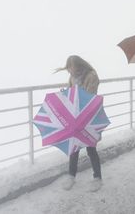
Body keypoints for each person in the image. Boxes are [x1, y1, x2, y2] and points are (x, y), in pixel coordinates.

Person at [55, 55, 102, 190]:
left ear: (78, 65)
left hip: (90, 116)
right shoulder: (72, 77)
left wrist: (73, 96)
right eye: (68, 68)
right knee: (74, 147)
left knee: (91, 148)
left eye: (71, 67)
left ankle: (97, 178)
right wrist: (65, 93)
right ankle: (71, 176)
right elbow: (72, 93)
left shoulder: (91, 76)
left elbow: (90, 96)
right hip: (75, 116)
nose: (69, 71)